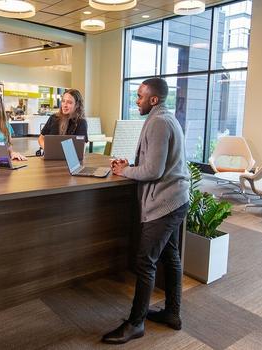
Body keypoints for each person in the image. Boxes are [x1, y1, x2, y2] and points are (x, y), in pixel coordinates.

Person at [102, 78, 190, 345]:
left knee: (145, 261)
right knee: (170, 257)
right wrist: (131, 165)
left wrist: (123, 170)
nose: (136, 100)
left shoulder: (159, 122)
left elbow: (154, 171)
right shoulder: (163, 118)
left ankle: (136, 323)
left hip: (166, 203)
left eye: (140, 96)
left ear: (153, 99)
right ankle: (172, 314)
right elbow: (153, 163)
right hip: (176, 199)